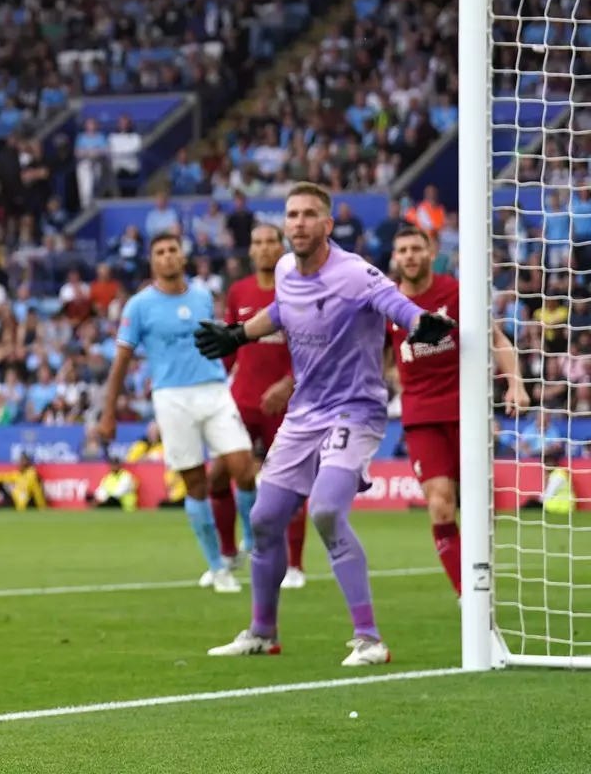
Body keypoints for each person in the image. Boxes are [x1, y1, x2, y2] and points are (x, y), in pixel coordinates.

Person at [196, 182, 456, 666]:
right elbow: (281, 311)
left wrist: (421, 321)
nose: (297, 222)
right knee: (264, 518)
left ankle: (369, 639)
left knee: (327, 511)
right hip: (304, 413)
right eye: (292, 214)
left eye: (309, 214)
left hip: (354, 409)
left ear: (328, 225)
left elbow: (392, 301)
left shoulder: (355, 272)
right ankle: (261, 632)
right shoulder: (285, 270)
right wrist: (237, 333)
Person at [97, 232, 258, 593]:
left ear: (183, 258)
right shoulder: (139, 306)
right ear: (153, 262)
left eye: (173, 251)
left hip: (214, 390)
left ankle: (250, 541)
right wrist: (108, 412)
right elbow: (122, 360)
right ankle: (217, 567)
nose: (168, 257)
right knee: (195, 483)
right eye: (160, 252)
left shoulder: (202, 296)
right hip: (172, 398)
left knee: (243, 467)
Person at [387, 225, 527, 597]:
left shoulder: (457, 292)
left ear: (431, 251)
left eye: (416, 248)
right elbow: (377, 358)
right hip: (421, 418)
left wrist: (516, 383)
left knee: (481, 505)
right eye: (402, 250)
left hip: (468, 411)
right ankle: (470, 594)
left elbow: (498, 339)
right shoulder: (387, 304)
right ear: (395, 257)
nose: (410, 256)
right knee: (440, 503)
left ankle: (481, 574)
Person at [219, 223, 308, 590]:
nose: (265, 248)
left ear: (282, 247)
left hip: (285, 403)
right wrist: (216, 385)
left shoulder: (297, 289)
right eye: (257, 243)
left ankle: (296, 566)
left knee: (292, 482)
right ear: (251, 251)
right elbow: (227, 343)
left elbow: (308, 344)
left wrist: (288, 382)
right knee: (221, 474)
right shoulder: (238, 291)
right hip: (242, 400)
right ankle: (226, 554)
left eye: (271, 241)